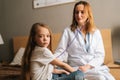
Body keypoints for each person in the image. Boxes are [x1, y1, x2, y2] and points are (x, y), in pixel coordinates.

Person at [54, 1, 115, 80]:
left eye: (82, 12)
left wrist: (88, 66)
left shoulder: (96, 32)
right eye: (76, 12)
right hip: (76, 69)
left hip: (93, 67)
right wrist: (51, 62)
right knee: (100, 78)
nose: (79, 15)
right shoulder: (68, 31)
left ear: (88, 14)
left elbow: (100, 55)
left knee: (104, 77)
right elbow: (60, 52)